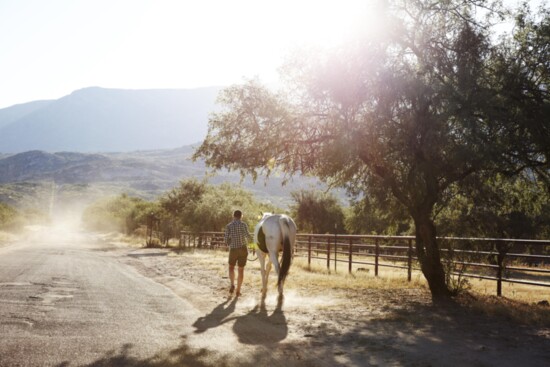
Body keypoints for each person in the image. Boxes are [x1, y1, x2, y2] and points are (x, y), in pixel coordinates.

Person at [224, 210, 252, 297]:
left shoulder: (229, 226)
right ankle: (238, 290)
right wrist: (254, 246)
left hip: (233, 249)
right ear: (241, 216)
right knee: (241, 269)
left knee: (231, 267)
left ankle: (232, 284)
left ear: (233, 216)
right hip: (243, 249)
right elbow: (248, 236)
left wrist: (230, 243)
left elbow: (226, 239)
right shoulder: (244, 225)